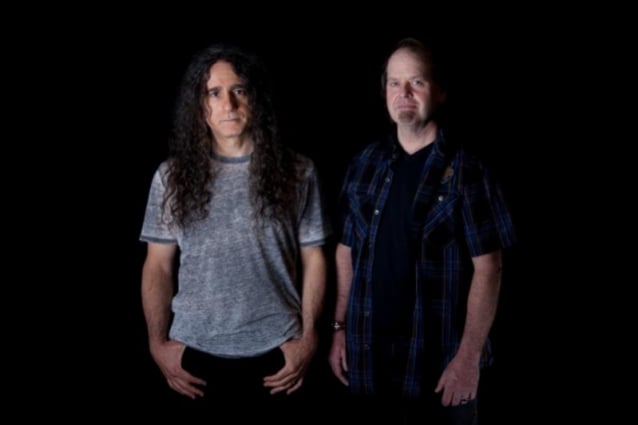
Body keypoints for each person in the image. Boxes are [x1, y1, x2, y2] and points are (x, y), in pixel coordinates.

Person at [328, 38, 516, 424]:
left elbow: (490, 268)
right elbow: (345, 251)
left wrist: (468, 359)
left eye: (417, 82)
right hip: (368, 360)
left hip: (441, 369)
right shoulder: (364, 164)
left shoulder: (468, 171)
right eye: (394, 83)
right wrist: (339, 328)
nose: (404, 93)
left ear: (440, 91)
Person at [139, 43, 330, 416]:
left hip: (278, 354)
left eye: (239, 90)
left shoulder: (297, 172)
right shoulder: (171, 177)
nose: (228, 104)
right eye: (214, 92)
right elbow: (157, 265)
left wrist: (309, 338)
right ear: (200, 105)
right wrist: (156, 344)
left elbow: (315, 258)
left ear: (254, 97)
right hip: (193, 354)